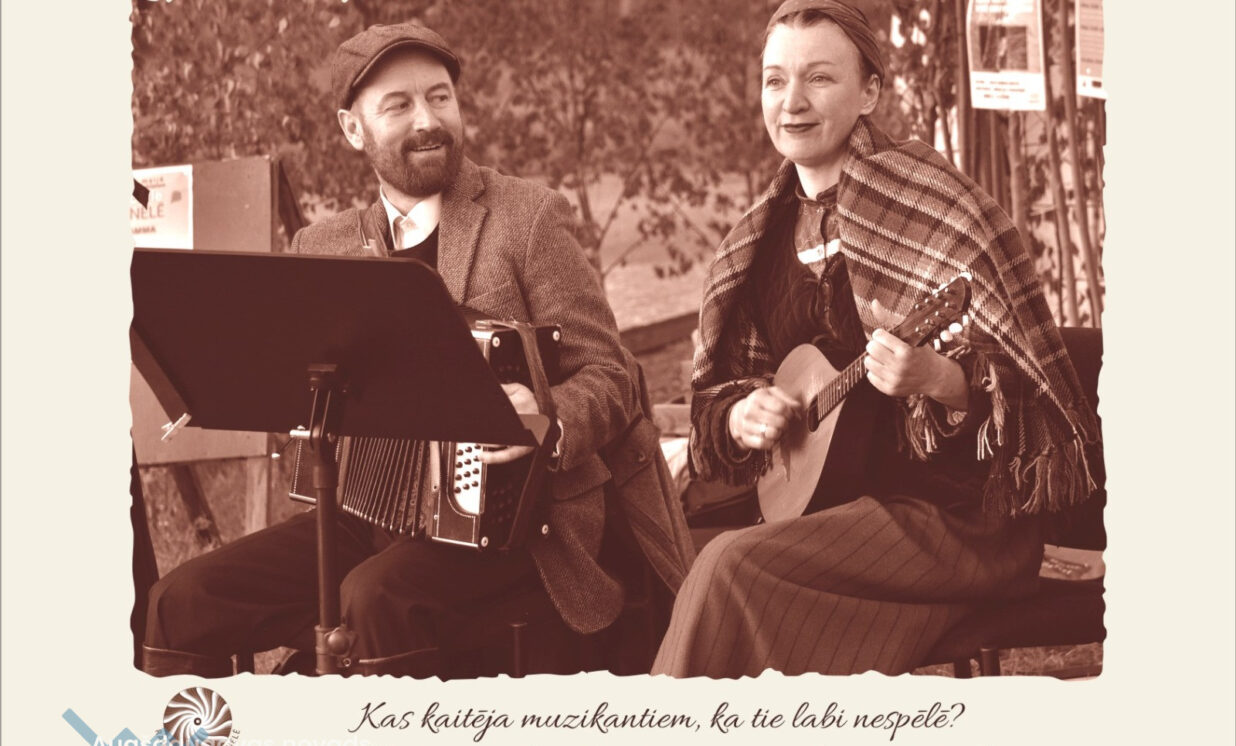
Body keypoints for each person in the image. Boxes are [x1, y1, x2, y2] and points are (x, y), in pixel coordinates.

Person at [141, 22, 690, 677]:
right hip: (360, 520)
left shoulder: (527, 218)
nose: (428, 120)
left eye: (439, 97)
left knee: (375, 597)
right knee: (182, 600)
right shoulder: (322, 247)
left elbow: (610, 375)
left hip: (520, 530)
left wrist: (545, 418)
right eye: (398, 105)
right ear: (353, 129)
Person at [651, 0, 1101, 678]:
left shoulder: (937, 206)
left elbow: (1030, 393)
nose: (792, 102)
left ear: (870, 93)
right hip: (831, 517)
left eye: (819, 78)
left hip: (957, 519)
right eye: (775, 80)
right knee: (707, 568)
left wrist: (939, 380)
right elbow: (717, 401)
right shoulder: (756, 242)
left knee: (729, 568)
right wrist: (743, 413)